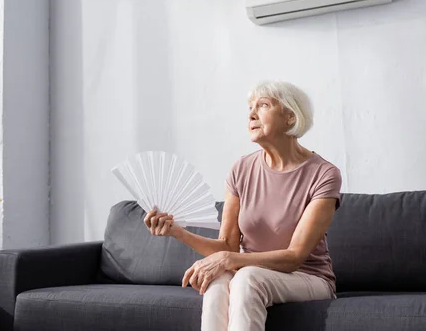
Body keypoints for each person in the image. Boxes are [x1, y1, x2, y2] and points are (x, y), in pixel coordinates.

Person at [144, 80, 342, 331]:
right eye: (250, 107)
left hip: (308, 277)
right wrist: (176, 231)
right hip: (250, 271)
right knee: (218, 282)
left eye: (263, 105)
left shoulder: (324, 174)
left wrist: (228, 259)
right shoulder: (241, 169)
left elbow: (294, 258)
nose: (251, 114)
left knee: (247, 277)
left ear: (290, 117)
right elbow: (226, 245)